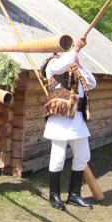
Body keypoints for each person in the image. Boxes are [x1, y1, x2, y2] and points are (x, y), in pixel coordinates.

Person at [40, 35, 96, 211]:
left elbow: (92, 83)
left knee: (83, 156)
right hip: (60, 120)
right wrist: (76, 50)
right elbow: (62, 64)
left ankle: (74, 195)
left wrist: (79, 64)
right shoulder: (52, 65)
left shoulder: (74, 67)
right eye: (64, 49)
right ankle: (54, 196)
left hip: (77, 120)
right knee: (58, 158)